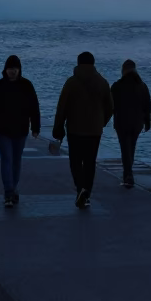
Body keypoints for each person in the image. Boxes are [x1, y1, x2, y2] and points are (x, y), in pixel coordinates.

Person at [52, 51, 113, 209]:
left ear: (78, 63)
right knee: (90, 163)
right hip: (94, 131)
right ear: (93, 64)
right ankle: (86, 194)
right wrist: (101, 122)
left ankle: (81, 189)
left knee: (75, 162)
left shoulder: (71, 82)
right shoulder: (102, 82)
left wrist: (58, 128)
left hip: (75, 129)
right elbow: (110, 107)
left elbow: (62, 107)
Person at [0, 55, 41, 208]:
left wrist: (36, 127)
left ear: (19, 69)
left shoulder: (27, 86)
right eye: (10, 69)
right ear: (5, 70)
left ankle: (13, 188)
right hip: (2, 130)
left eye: (15, 69)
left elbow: (34, 108)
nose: (12, 71)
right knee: (7, 159)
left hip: (21, 130)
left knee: (16, 160)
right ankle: (8, 191)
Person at [111, 59, 151, 188]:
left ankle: (128, 175)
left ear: (123, 70)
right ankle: (128, 173)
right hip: (137, 123)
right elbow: (147, 105)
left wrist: (104, 120)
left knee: (125, 148)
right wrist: (147, 122)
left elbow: (111, 106)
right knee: (131, 147)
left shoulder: (117, 85)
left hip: (122, 122)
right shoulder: (142, 86)